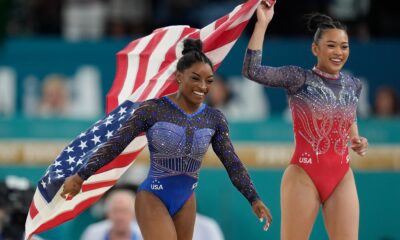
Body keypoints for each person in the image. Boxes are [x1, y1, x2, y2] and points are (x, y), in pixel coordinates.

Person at [61, 38, 272, 239]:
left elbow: (232, 162)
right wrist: (81, 176)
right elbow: (115, 145)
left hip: (187, 199)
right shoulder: (153, 110)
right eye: (195, 78)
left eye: (209, 81)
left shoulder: (213, 118)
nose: (202, 87)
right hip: (153, 196)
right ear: (179, 77)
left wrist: (253, 198)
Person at [242, 2, 368, 239]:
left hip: (342, 174)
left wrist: (355, 138)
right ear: (315, 48)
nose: (338, 52)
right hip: (304, 173)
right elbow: (252, 71)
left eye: (344, 46)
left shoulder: (354, 84)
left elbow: (347, 114)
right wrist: (262, 24)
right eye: (331, 45)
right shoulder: (298, 78)